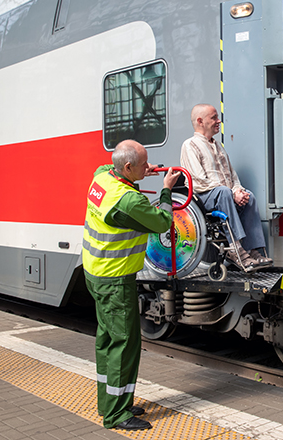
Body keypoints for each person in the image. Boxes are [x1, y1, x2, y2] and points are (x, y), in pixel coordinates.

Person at [82, 139, 180, 430]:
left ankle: (109, 401)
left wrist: (140, 173)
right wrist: (165, 188)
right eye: (142, 164)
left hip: (95, 273)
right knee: (124, 344)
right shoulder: (128, 201)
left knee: (107, 341)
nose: (147, 166)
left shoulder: (102, 178)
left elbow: (108, 168)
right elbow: (162, 221)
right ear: (126, 167)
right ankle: (117, 414)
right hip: (115, 280)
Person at [180, 104, 272, 272]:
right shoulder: (190, 145)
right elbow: (198, 180)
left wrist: (237, 190)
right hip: (204, 197)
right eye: (213, 117)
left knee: (249, 196)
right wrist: (230, 193)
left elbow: (232, 175)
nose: (218, 121)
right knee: (223, 193)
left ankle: (253, 250)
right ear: (200, 121)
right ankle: (236, 250)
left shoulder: (218, 145)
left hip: (224, 194)